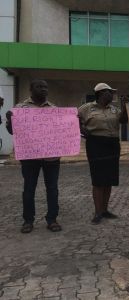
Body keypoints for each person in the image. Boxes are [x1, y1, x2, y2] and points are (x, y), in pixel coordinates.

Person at [5, 79, 62, 233]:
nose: (43, 89)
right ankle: (28, 221)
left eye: (45, 87)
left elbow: (61, 132)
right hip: (29, 157)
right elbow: (12, 132)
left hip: (51, 157)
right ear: (31, 89)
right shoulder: (20, 109)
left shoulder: (55, 109)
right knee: (29, 189)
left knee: (52, 189)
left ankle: (52, 219)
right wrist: (11, 120)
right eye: (39, 87)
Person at [78, 83, 129, 224]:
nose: (112, 94)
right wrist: (82, 129)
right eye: (109, 92)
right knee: (98, 179)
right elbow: (72, 120)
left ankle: (105, 210)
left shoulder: (114, 109)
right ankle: (97, 212)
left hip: (113, 144)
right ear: (101, 93)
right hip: (95, 144)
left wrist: (126, 106)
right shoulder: (86, 108)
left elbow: (124, 121)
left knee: (109, 179)